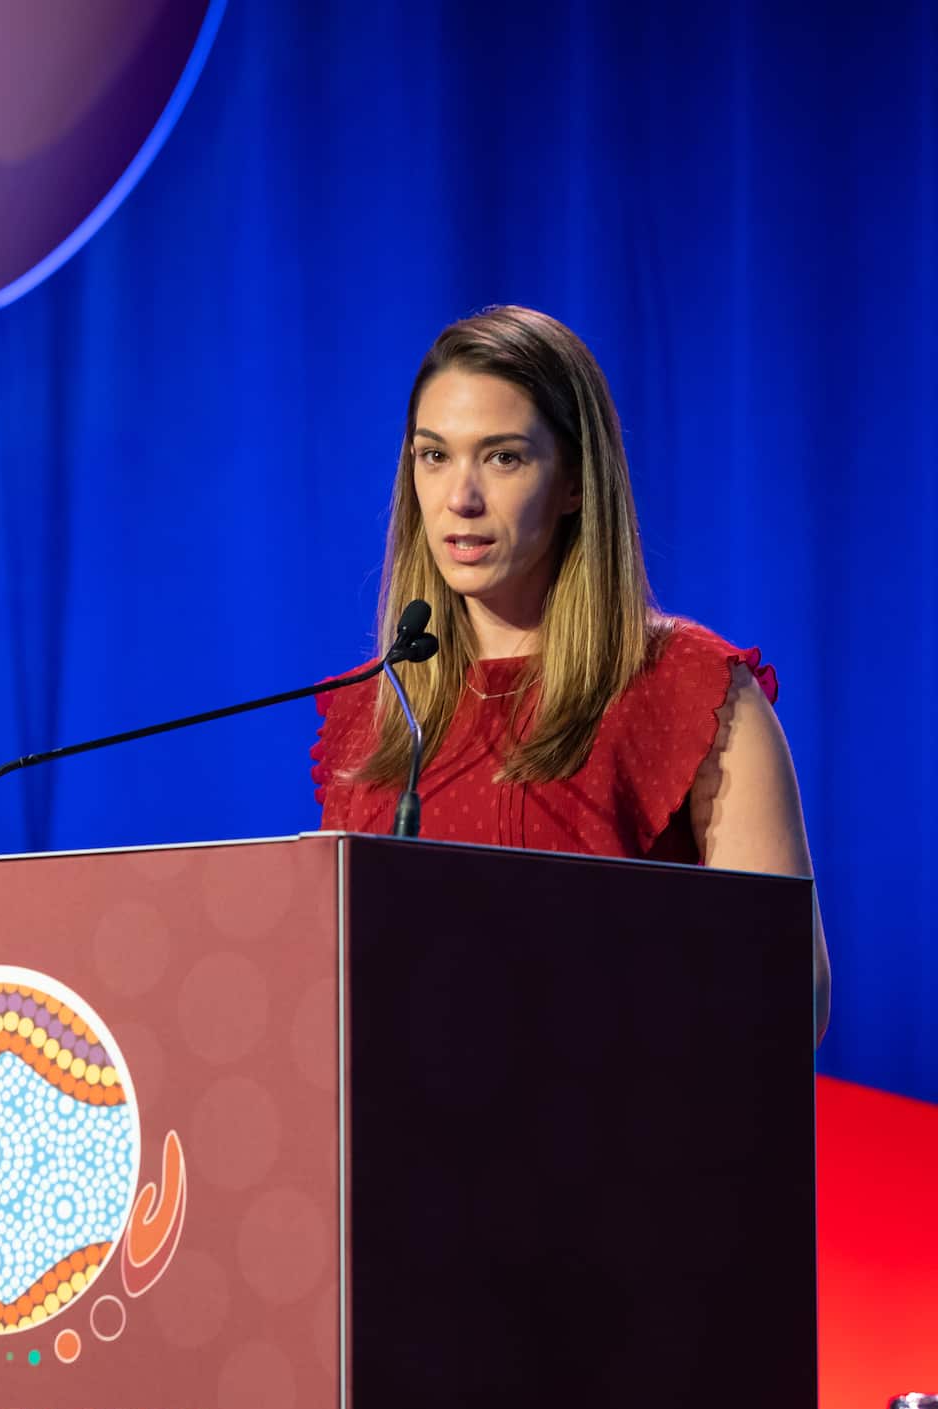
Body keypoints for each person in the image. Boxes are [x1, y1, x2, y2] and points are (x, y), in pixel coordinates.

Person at [312, 304, 831, 1041]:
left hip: (619, 1106)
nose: (460, 498)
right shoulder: (374, 708)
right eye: (434, 456)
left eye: (503, 458)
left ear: (576, 483)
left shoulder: (689, 687)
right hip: (403, 1115)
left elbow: (786, 993)